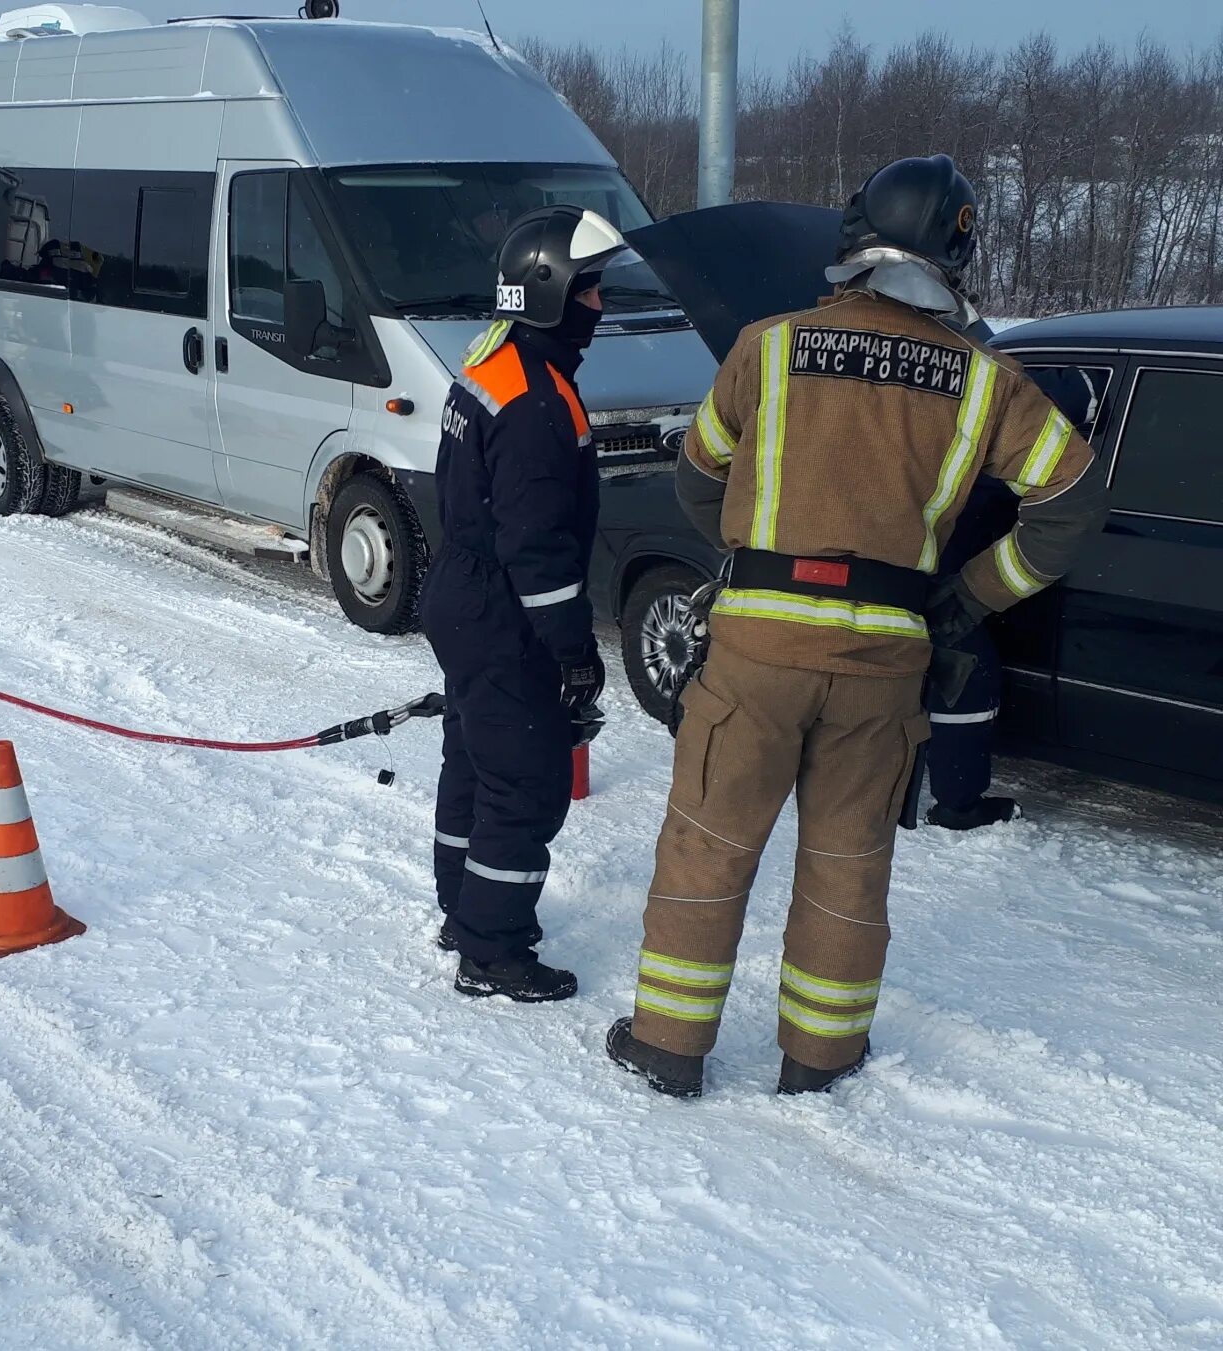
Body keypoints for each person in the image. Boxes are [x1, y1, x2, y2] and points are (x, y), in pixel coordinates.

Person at [606, 155, 1109, 1096]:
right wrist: (971, 596)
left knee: (708, 843)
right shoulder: (986, 381)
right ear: (953, 259)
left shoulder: (769, 346)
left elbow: (696, 472)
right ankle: (820, 1057)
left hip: (754, 653)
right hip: (885, 663)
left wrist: (755, 541)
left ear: (855, 242)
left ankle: (669, 1048)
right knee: (848, 858)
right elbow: (1074, 501)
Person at [424, 205, 634, 1002]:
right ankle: (492, 950)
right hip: (503, 606)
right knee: (526, 780)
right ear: (549, 291)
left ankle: (463, 908)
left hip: (464, 590)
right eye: (590, 291)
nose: (599, 307)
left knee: (472, 756)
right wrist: (574, 650)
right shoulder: (538, 402)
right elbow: (539, 547)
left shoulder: (494, 363)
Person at [924, 365, 1099, 830]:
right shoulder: (1027, 459)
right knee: (964, 677)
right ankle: (957, 806)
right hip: (939, 586)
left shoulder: (973, 427)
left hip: (909, 572)